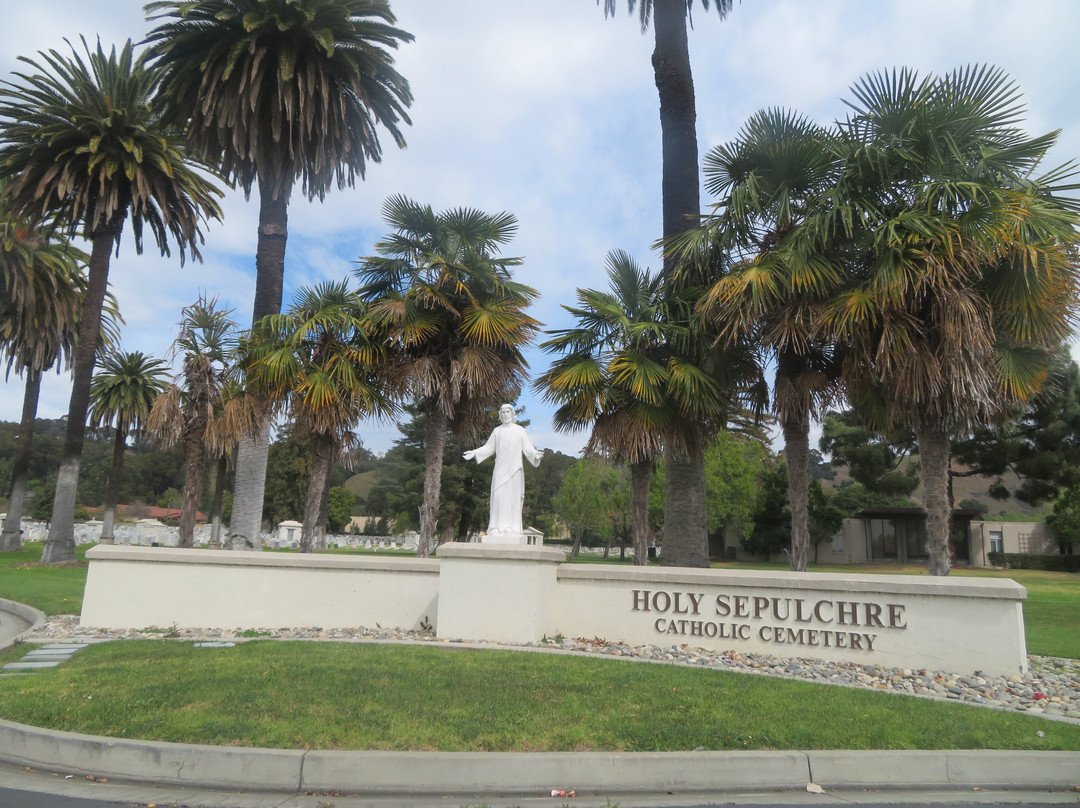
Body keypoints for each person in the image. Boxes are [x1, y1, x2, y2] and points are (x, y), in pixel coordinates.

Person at [464, 404, 544, 538]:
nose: (506, 414)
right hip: (500, 470)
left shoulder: (520, 431)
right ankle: (495, 527)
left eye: (508, 412)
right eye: (503, 412)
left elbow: (528, 449)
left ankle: (510, 527)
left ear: (512, 414)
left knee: (512, 499)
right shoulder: (497, 431)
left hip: (514, 471)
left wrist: (536, 455)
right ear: (501, 415)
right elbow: (488, 448)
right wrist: (474, 453)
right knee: (498, 497)